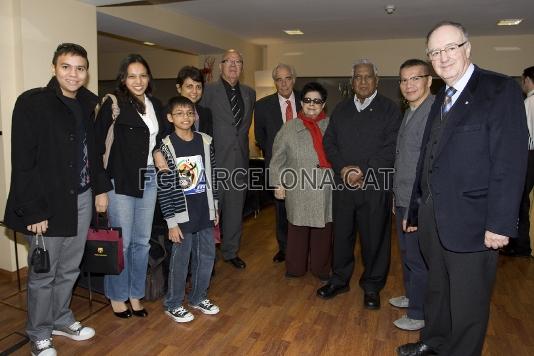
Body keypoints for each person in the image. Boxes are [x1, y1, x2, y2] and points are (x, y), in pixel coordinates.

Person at [397, 21, 527, 356]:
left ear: (467, 48)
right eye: (435, 52)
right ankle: (434, 342)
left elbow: (509, 162)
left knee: (468, 302)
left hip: (474, 223)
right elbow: (427, 158)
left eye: (450, 48)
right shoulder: (441, 97)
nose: (443, 57)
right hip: (432, 220)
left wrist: (500, 223)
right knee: (438, 290)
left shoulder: (499, 90)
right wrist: (414, 210)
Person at [4, 43, 103, 356]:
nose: (73, 74)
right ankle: (39, 333)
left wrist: (100, 189)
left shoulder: (89, 104)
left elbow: (93, 154)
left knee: (70, 268)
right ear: (54, 68)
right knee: (44, 272)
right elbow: (23, 161)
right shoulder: (32, 103)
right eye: (66, 67)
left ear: (86, 72)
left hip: (83, 197)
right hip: (48, 204)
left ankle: (61, 318)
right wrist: (33, 209)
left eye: (80, 68)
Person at [317, 60, 401, 310]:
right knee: (342, 237)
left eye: (367, 77)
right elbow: (329, 144)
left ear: (377, 79)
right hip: (344, 186)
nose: (362, 82)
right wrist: (344, 168)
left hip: (374, 187)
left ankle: (372, 286)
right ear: (351, 82)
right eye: (358, 77)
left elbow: (391, 147)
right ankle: (340, 280)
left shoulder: (390, 109)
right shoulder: (341, 109)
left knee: (374, 238)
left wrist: (363, 170)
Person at [94, 54, 168, 318]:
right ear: (123, 79)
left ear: (149, 78)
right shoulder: (113, 103)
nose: (138, 81)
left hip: (148, 178)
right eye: (132, 76)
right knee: (122, 243)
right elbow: (96, 147)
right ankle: (117, 295)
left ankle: (136, 294)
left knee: (141, 243)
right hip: (120, 180)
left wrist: (159, 152)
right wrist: (100, 188)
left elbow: (157, 139)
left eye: (143, 75)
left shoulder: (156, 104)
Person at [158, 96, 220, 323]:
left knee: (206, 256)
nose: (185, 117)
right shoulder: (166, 146)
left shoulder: (205, 140)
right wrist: (171, 222)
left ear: (195, 116)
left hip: (204, 210)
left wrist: (214, 206)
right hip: (181, 214)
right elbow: (164, 187)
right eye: (179, 113)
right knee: (180, 260)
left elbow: (212, 175)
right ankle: (173, 303)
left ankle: (198, 297)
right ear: (170, 117)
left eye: (189, 113)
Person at [269, 82, 333, 280]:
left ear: (323, 104)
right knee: (297, 228)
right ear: (301, 102)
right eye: (307, 100)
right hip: (297, 187)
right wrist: (278, 183)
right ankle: (295, 267)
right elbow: (277, 159)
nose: (311, 105)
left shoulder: (332, 126)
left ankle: (320, 268)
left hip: (326, 187)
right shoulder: (288, 128)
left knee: (323, 230)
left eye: (316, 101)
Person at [200, 49, 256, 269]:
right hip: (213, 162)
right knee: (211, 211)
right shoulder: (208, 91)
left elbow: (242, 129)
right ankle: (208, 256)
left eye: (238, 62)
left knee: (234, 212)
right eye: (229, 61)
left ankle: (231, 251)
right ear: (221, 66)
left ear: (242, 67)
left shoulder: (249, 93)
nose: (233, 65)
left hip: (239, 163)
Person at [390, 59, 434, 331]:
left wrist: (414, 205)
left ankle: (419, 313)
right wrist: (397, 199)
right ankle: (412, 297)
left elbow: (427, 165)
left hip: (418, 201)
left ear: (429, 80)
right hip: (403, 197)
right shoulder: (410, 110)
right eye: (404, 80)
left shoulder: (434, 111)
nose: (409, 85)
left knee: (417, 258)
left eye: (415, 78)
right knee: (406, 254)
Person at [254, 63, 301, 263]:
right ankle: (284, 248)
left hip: (303, 167)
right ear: (275, 83)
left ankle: (302, 246)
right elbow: (260, 137)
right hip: (279, 167)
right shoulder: (262, 105)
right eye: (279, 79)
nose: (284, 83)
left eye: (287, 78)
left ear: (294, 79)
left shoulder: (306, 101)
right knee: (281, 210)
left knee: (302, 207)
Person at [501, 65, 534, 257]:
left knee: (519, 202)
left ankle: (519, 246)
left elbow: (523, 136)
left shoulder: (528, 103)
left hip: (528, 156)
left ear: (527, 80)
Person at [176, 65, 213, 137]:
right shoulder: (169, 113)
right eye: (190, 86)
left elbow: (210, 142)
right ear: (179, 88)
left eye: (198, 87)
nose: (194, 91)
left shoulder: (206, 113)